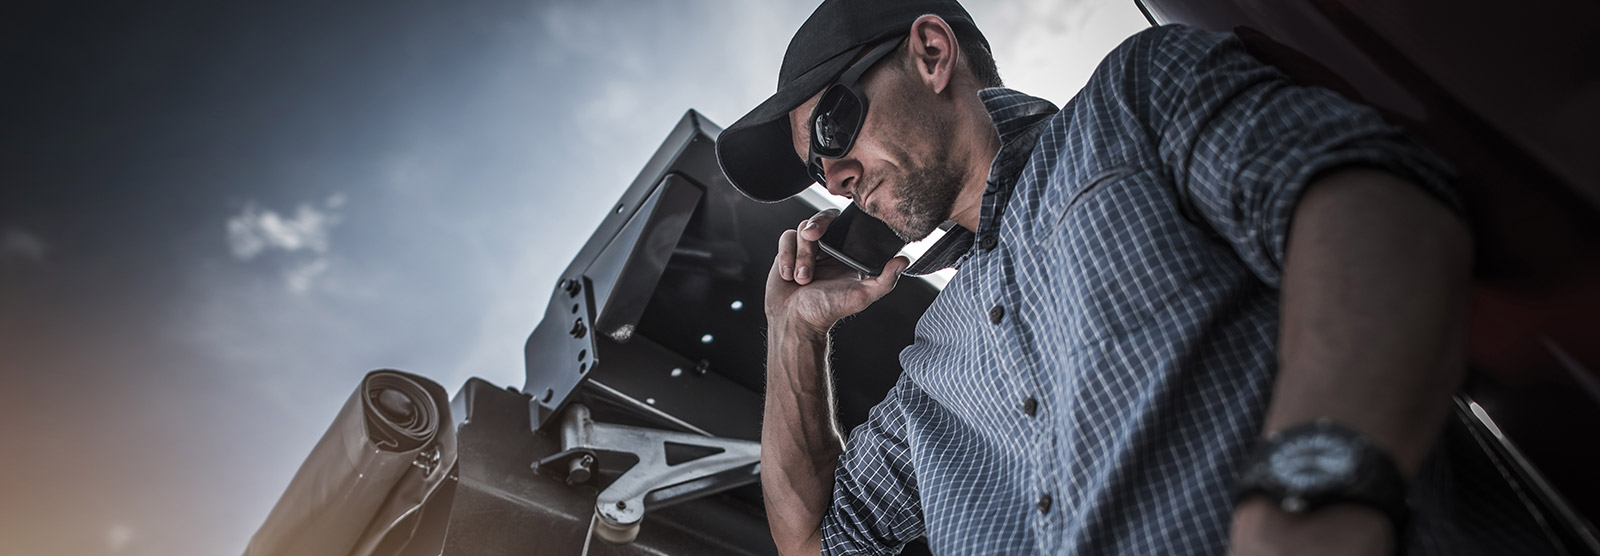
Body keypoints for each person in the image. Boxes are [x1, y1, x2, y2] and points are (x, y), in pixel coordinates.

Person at [713, 1, 1555, 554]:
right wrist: (793, 331)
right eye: (816, 168)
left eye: (832, 123)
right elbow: (811, 540)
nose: (836, 174)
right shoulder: (930, 368)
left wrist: (1308, 502)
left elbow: (1374, 205)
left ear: (931, 54)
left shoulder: (1133, 101)